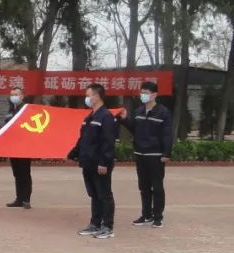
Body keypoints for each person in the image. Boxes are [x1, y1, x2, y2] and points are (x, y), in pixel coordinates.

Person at [119, 80, 173, 228]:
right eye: (142, 92)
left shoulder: (163, 112)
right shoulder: (139, 111)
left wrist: (166, 153)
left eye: (146, 93)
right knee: (143, 187)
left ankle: (158, 217)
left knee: (157, 187)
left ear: (154, 95)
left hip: (155, 155)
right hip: (140, 153)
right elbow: (134, 129)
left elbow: (167, 134)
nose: (143, 95)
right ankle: (146, 215)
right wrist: (125, 119)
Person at [68, 84, 119, 239]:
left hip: (100, 163)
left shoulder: (106, 117)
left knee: (104, 194)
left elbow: (108, 142)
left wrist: (104, 162)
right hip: (88, 162)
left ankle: (107, 226)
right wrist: (74, 153)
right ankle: (95, 224)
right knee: (95, 194)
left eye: (88, 95)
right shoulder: (89, 117)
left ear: (97, 97)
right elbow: (83, 139)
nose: (87, 98)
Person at [4, 88, 33, 209]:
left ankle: (26, 199)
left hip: (24, 147)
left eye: (16, 94)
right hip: (13, 147)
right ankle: (19, 199)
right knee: (17, 173)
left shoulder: (26, 110)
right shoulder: (11, 110)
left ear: (22, 96)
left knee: (24, 173)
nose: (13, 97)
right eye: (12, 95)